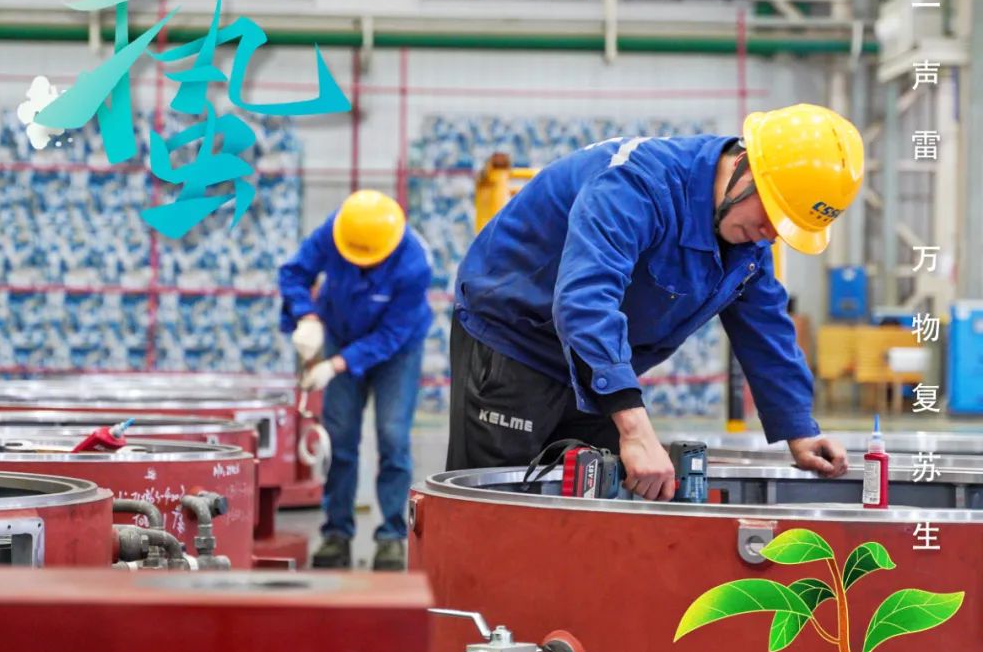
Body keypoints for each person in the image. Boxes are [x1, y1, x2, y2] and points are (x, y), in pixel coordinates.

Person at [447, 104, 864, 499]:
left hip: (592, 363)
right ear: (744, 166)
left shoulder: (746, 240)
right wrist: (635, 429)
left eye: (785, 226)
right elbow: (585, 300)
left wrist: (800, 429)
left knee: (593, 504)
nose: (771, 234)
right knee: (495, 502)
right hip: (514, 339)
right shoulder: (635, 185)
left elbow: (766, 329)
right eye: (772, 213)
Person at [279, 189, 432, 568]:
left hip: (397, 352)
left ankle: (392, 536)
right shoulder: (337, 231)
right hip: (340, 332)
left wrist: (334, 365)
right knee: (340, 437)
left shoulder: (414, 264)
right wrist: (306, 316)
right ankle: (336, 533)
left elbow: (391, 336)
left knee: (393, 437)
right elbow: (294, 273)